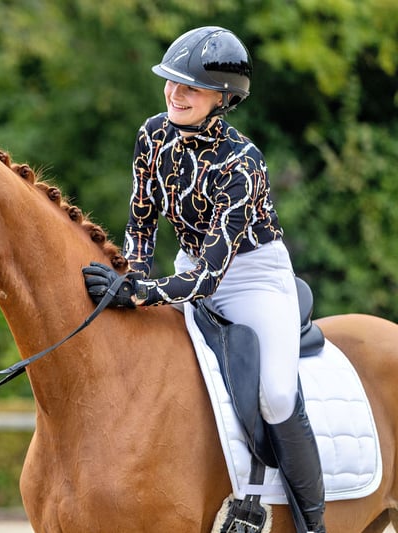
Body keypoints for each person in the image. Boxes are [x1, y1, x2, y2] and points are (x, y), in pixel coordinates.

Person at [82, 26, 325, 532]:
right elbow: (141, 224)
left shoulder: (243, 162)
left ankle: (313, 525)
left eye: (190, 87)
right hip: (185, 268)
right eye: (171, 82)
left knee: (277, 394)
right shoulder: (152, 135)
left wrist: (141, 293)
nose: (175, 93)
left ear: (223, 98)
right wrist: (131, 276)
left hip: (252, 277)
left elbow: (214, 275)